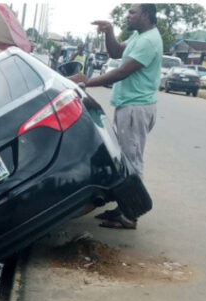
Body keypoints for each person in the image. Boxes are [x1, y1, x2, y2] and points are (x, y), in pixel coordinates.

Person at [70, 4, 160, 230]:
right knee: (124, 159)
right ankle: (123, 208)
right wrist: (109, 31)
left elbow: (121, 72)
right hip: (128, 105)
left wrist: (85, 81)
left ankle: (130, 216)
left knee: (132, 160)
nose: (128, 16)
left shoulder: (150, 41)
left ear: (146, 15)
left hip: (136, 107)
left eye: (132, 12)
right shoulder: (139, 36)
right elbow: (116, 53)